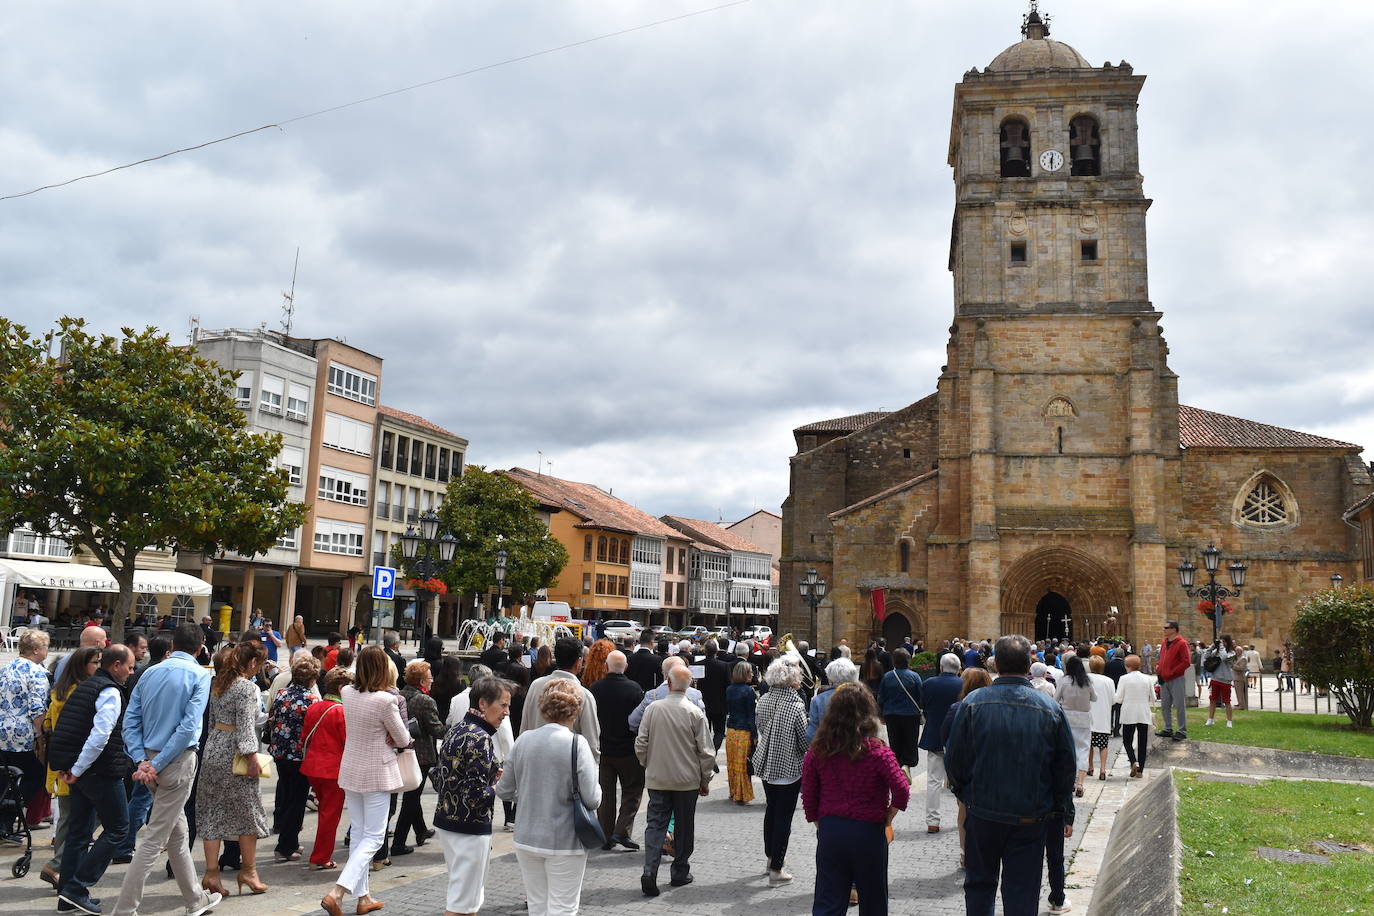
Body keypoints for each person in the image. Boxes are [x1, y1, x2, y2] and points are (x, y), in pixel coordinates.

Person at [946, 635, 1076, 916]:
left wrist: (967, 795)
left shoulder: (972, 703)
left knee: (979, 884)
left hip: (983, 811)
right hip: (1030, 814)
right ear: (1029, 664)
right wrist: (1060, 808)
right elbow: (1065, 766)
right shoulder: (1050, 708)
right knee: (1023, 891)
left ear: (997, 663)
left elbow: (955, 759)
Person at [802, 683, 910, 916]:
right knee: (873, 900)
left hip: (832, 829)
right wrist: (889, 815)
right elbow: (901, 789)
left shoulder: (818, 750)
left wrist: (820, 822)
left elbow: (808, 795)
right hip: (869, 830)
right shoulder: (877, 751)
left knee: (828, 899)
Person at [320, 646, 412, 916]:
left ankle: (363, 897)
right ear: (384, 669)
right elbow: (403, 738)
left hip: (351, 768)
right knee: (373, 837)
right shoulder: (385, 700)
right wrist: (398, 737)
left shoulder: (347, 693)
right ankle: (338, 891)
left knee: (360, 834)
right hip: (377, 772)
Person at [497, 679, 601, 915]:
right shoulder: (577, 744)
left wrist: (528, 794)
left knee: (537, 906)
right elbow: (592, 798)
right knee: (563, 907)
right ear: (575, 710)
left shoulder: (523, 740)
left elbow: (503, 790)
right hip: (565, 839)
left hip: (527, 837)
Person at [47, 644, 135, 914]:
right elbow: (99, 736)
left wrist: (71, 767)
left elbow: (69, 728)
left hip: (81, 769)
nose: (132, 673)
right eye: (129, 667)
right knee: (119, 829)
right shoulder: (109, 691)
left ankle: (67, 895)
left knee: (79, 832)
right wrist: (77, 768)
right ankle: (76, 887)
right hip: (98, 770)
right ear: (116, 665)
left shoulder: (86, 685)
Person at [433, 675, 514, 916]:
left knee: (465, 899)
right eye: (503, 705)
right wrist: (497, 786)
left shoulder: (458, 728)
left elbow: (443, 777)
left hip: (448, 819)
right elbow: (476, 795)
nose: (507, 712)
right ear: (482, 704)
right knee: (462, 903)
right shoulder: (481, 738)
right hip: (469, 825)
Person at [196, 641, 270, 896]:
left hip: (213, 748)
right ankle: (248, 871)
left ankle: (211, 873)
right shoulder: (247, 687)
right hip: (236, 753)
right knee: (247, 811)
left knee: (212, 811)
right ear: (252, 663)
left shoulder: (219, 683)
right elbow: (247, 726)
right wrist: (252, 757)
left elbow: (213, 722)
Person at [636, 665, 714, 897]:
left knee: (656, 824)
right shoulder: (694, 712)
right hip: (687, 781)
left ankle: (650, 870)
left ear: (668, 683)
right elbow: (706, 752)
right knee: (684, 825)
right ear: (689, 685)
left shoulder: (652, 709)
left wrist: (647, 765)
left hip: (658, 778)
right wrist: (705, 779)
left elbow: (641, 743)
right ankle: (679, 871)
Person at [37, 646, 102, 888]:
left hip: (60, 762)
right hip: (75, 764)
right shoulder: (82, 692)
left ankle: (60, 867)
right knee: (85, 817)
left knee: (68, 818)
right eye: (95, 662)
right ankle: (58, 866)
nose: (98, 667)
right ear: (82, 665)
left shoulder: (59, 691)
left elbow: (48, 724)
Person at [751, 657, 809, 887]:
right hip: (788, 765)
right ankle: (777, 868)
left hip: (767, 762)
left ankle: (770, 859)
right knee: (784, 816)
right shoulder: (795, 705)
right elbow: (804, 741)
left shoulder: (763, 700)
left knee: (771, 810)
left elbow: (762, 727)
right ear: (792, 679)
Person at [587, 649, 645, 850]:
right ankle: (622, 831)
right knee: (632, 792)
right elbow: (640, 722)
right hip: (628, 749)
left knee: (605, 794)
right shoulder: (634, 689)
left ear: (606, 667)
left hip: (603, 749)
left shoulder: (595, 689)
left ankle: (605, 834)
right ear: (626, 668)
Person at [267, 654, 320, 862]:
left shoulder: (281, 693)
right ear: (312, 679)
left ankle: (287, 840)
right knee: (297, 801)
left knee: (288, 795)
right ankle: (286, 846)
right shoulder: (312, 700)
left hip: (280, 752)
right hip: (300, 756)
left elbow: (273, 716)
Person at [300, 667, 352, 870]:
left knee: (324, 811)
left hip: (313, 767)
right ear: (341, 688)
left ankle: (320, 854)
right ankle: (321, 857)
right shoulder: (341, 711)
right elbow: (347, 741)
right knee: (330, 815)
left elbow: (304, 737)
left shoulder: (315, 706)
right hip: (333, 770)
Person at [0, 629, 51, 827]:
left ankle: (4, 822)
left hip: (3, 730)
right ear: (37, 650)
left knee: (6, 775)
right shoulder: (37, 672)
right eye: (46, 647)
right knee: (36, 776)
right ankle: (11, 813)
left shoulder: (6, 668)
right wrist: (43, 734)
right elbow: (37, 708)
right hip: (22, 734)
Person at [394, 660, 445, 856]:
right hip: (421, 754)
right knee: (412, 797)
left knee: (411, 794)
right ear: (423, 681)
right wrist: (455, 728)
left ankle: (421, 830)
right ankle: (398, 842)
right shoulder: (425, 701)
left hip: (402, 750)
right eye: (430, 677)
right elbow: (437, 729)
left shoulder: (401, 694)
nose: (432, 681)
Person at [522, 638, 600, 761]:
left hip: (533, 762)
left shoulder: (536, 686)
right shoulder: (584, 695)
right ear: (579, 662)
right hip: (567, 769)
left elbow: (524, 728)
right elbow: (592, 744)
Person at [917, 652, 963, 834]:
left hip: (935, 735)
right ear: (959, 669)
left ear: (941, 667)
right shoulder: (963, 684)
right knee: (960, 780)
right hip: (958, 737)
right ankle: (962, 816)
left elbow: (924, 706)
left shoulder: (929, 684)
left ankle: (932, 821)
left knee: (934, 780)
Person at [876, 648, 922, 782]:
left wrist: (881, 714)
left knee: (895, 741)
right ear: (908, 661)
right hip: (910, 714)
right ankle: (906, 765)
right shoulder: (914, 676)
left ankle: (896, 769)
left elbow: (881, 697)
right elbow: (920, 696)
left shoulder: (888, 676)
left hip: (891, 714)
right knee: (910, 741)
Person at [627, 655, 706, 731]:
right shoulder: (695, 695)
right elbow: (703, 726)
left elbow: (633, 722)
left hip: (658, 742)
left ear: (664, 674)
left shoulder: (652, 695)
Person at [1054, 654, 1095, 797]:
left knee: (1068, 749)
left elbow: (1055, 698)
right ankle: (1080, 784)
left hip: (1067, 717)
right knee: (1083, 749)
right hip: (1083, 718)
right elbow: (1094, 698)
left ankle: (1070, 782)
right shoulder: (1087, 681)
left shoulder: (1064, 681)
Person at [1114, 655, 1153, 778]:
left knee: (1127, 740)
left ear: (1128, 666)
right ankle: (1141, 770)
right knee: (1142, 742)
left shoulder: (1124, 679)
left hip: (1129, 712)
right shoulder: (1147, 678)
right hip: (1143, 712)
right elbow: (1153, 697)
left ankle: (1133, 761)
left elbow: (1119, 699)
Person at [725, 660, 759, 804]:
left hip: (731, 730)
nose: (752, 674)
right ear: (745, 674)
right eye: (750, 672)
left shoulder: (729, 689)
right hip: (744, 730)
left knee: (733, 763)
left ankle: (734, 792)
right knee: (743, 764)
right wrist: (755, 735)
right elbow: (751, 715)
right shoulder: (748, 691)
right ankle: (742, 794)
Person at [1155, 621, 1192, 741]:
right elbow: (1161, 659)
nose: (1164, 629)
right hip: (1164, 678)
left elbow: (1186, 661)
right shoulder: (1164, 643)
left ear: (1174, 629)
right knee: (1165, 705)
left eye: (1166, 628)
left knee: (1179, 705)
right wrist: (1159, 669)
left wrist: (1172, 672)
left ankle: (1182, 730)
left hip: (1176, 678)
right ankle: (1168, 728)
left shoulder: (1182, 643)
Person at [808, 656, 860, 742]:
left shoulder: (819, 700)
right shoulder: (862, 697)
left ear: (830, 679)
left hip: (826, 748)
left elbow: (811, 735)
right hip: (855, 748)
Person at [699, 638, 733, 752]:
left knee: (704, 732)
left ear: (705, 651)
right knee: (719, 731)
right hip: (720, 702)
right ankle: (714, 751)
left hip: (702, 703)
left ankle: (706, 752)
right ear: (716, 651)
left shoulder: (698, 665)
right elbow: (728, 685)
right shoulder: (724, 666)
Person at [1086, 655, 1115, 781]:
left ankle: (1090, 767)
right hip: (1103, 716)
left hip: (1088, 715)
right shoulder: (1109, 681)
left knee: (1089, 745)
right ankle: (1103, 769)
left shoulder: (1086, 679)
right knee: (1103, 745)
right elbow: (1113, 700)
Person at [1203, 635, 1236, 728]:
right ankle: (1210, 719)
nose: (1222, 644)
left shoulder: (1232, 653)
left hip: (1226, 680)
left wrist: (1221, 647)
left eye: (1224, 642)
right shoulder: (1216, 651)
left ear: (1227, 642)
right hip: (1215, 678)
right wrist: (1212, 646)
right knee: (1212, 699)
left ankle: (1229, 721)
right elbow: (1206, 656)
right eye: (1221, 642)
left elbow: (1224, 657)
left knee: (1227, 701)